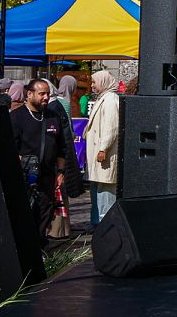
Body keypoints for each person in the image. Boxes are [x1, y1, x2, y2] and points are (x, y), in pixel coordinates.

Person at [10, 78, 67, 244]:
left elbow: (61, 147)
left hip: (48, 177)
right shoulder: (16, 117)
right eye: (41, 93)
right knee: (26, 216)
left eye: (48, 94)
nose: (46, 97)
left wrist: (61, 172)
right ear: (29, 94)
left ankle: (40, 246)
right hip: (26, 179)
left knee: (45, 213)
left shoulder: (52, 116)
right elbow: (11, 148)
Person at [85, 70, 121, 228]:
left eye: (94, 82)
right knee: (97, 188)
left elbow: (111, 127)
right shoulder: (104, 97)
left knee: (105, 190)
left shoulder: (111, 100)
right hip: (98, 154)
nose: (92, 85)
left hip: (103, 154)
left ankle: (105, 225)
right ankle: (96, 222)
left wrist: (103, 149)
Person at [46, 76, 78, 240]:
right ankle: (62, 229)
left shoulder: (53, 106)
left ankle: (57, 230)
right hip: (64, 153)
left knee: (57, 193)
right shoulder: (61, 103)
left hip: (58, 156)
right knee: (60, 193)